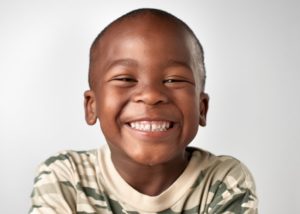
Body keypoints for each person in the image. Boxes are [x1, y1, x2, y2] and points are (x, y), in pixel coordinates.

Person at [29, 8, 258, 214]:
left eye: (173, 79)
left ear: (202, 108)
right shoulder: (66, 176)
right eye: (125, 78)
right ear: (92, 106)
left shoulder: (223, 181)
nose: (150, 95)